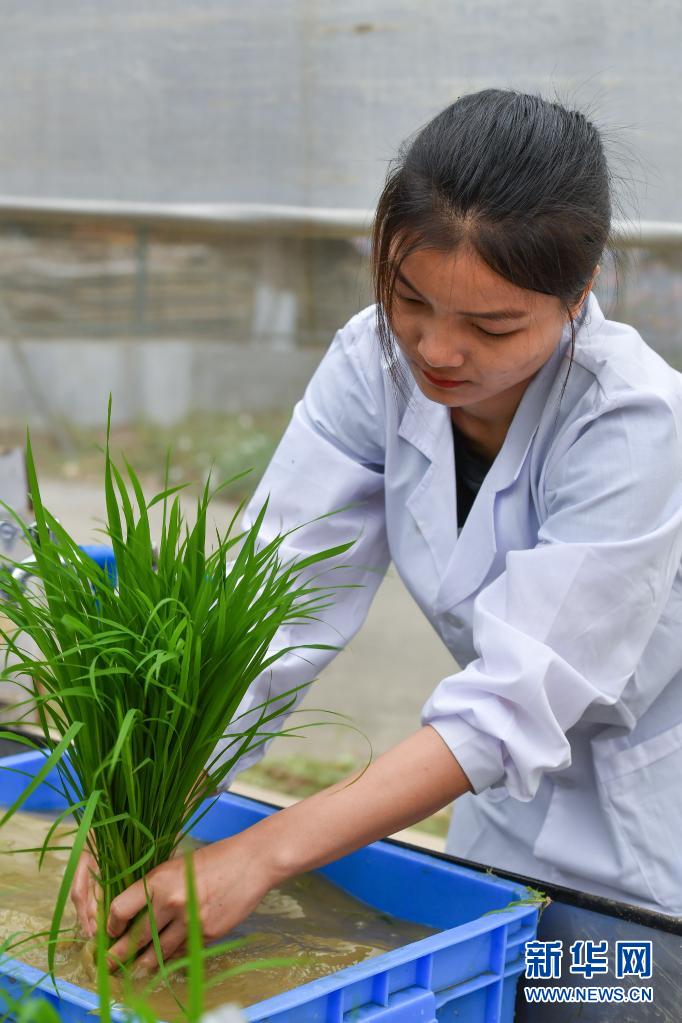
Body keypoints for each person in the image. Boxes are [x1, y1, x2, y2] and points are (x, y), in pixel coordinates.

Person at [72, 88, 682, 969]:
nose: (435, 349)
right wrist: (139, 803)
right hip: (495, 805)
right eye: (409, 297)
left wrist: (262, 852)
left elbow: (514, 701)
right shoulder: (373, 363)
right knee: (486, 990)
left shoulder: (632, 421)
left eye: (491, 326)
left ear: (578, 293)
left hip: (646, 830)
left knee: (603, 998)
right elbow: (272, 606)